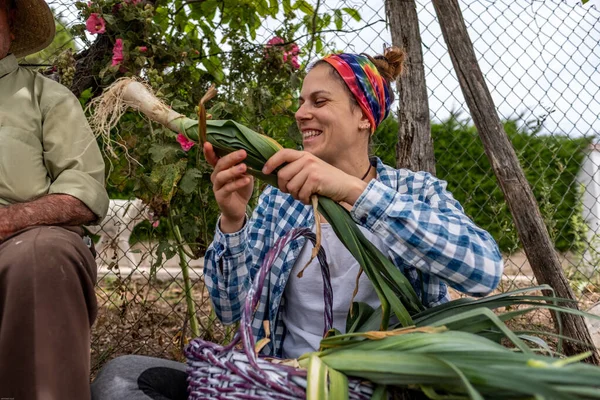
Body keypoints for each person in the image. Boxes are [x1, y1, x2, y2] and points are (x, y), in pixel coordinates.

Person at [91, 47, 503, 399]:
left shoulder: (416, 193)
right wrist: (233, 220)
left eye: (319, 102)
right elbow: (229, 307)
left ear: (364, 116)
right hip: (282, 382)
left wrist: (352, 192)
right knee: (122, 376)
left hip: (381, 387)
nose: (301, 112)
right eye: (301, 101)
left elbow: (483, 272)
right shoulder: (279, 201)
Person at [0, 0, 109, 399]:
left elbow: (83, 192)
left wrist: (9, 220)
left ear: (9, 21)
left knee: (43, 255)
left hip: (19, 239)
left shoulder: (46, 97)